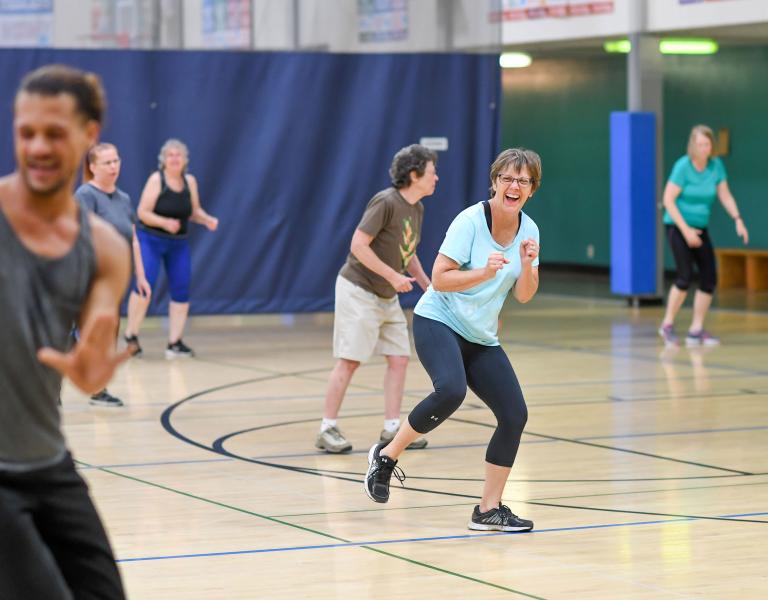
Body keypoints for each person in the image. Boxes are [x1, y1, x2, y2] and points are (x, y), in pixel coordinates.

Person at [0, 64, 129, 598]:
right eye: (26, 132)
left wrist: (92, 367)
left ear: (89, 135)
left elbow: (91, 359)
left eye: (54, 133)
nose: (37, 147)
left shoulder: (104, 248)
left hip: (48, 462)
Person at [364, 148, 541, 533]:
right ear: (494, 182)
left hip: (480, 335)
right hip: (438, 319)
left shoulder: (530, 231)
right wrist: (482, 272)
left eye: (523, 181)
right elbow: (441, 278)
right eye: (508, 178)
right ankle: (387, 456)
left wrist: (527, 265)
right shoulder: (470, 222)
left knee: (514, 415)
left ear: (531, 190)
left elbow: (525, 294)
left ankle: (487, 509)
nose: (514, 186)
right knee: (451, 390)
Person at [315, 144, 438, 454]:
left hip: (386, 295)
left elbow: (407, 254)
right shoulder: (386, 202)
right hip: (359, 290)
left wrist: (429, 286)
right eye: (432, 172)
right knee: (350, 360)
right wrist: (393, 276)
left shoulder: (417, 208)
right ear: (414, 175)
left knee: (398, 359)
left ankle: (392, 428)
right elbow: (358, 245)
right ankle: (327, 428)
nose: (437, 177)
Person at [124, 139, 218, 358]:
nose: (175, 159)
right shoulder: (157, 180)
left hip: (179, 243)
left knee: (182, 288)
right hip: (152, 239)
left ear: (185, 160)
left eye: (179, 155)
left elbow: (194, 211)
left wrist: (207, 220)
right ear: (164, 160)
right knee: (144, 286)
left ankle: (174, 342)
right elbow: (142, 212)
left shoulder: (190, 181)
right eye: (170, 155)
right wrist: (165, 223)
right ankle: (131, 335)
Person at [658, 124, 749, 346]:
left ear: (711, 146)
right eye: (699, 144)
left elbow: (725, 195)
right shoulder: (683, 166)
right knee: (685, 276)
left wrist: (738, 219)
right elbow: (668, 199)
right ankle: (667, 324)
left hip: (700, 227)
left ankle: (696, 329)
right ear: (692, 146)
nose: (703, 148)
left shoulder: (716, 166)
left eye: (707, 144)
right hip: (677, 227)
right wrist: (686, 230)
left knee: (709, 278)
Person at [75, 142, 151, 406]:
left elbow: (133, 240)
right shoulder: (85, 195)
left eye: (116, 161)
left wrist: (140, 276)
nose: (113, 166)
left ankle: (99, 391)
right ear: (93, 167)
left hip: (113, 281)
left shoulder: (125, 199)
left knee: (109, 334)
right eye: (107, 162)